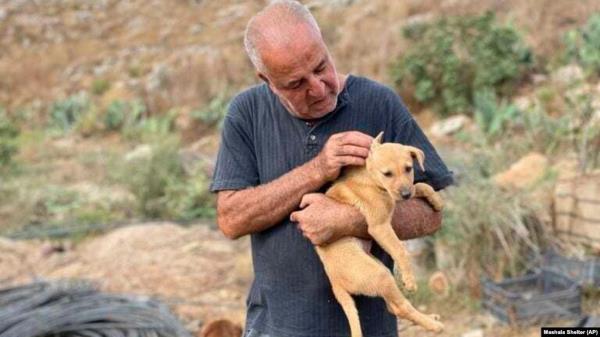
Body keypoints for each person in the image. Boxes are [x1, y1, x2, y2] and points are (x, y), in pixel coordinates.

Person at [210, 1, 454, 337]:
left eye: (321, 66)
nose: (320, 87)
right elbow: (231, 218)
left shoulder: (378, 103)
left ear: (324, 43)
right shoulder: (247, 114)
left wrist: (348, 220)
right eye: (296, 84)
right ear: (267, 80)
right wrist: (318, 170)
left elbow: (431, 214)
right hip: (275, 328)